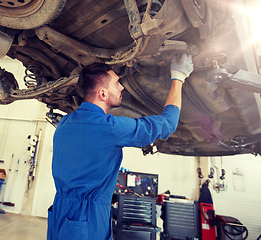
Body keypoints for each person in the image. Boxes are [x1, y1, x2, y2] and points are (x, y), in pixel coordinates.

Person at [47, 54, 194, 240]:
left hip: (61, 213)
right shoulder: (110, 127)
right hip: (87, 219)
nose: (122, 87)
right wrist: (178, 76)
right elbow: (168, 124)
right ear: (102, 94)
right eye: (117, 83)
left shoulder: (65, 123)